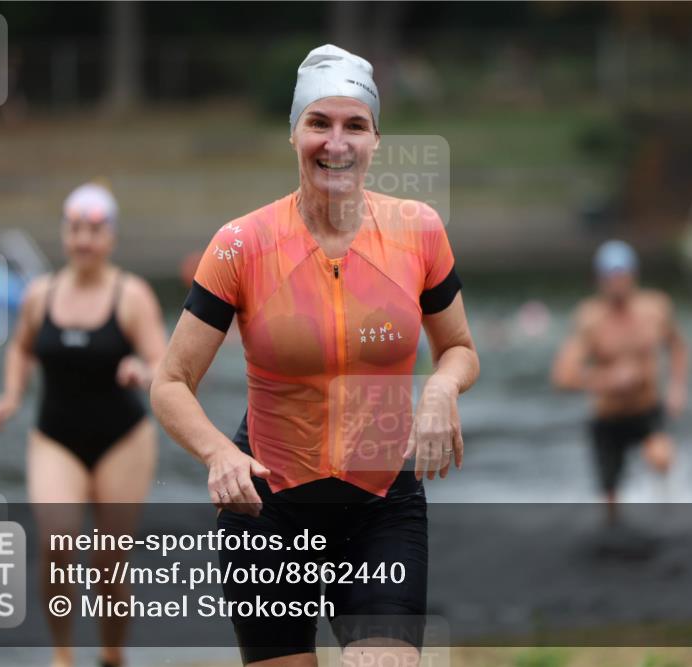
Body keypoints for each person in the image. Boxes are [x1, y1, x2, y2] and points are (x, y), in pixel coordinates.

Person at [151, 44, 479, 666]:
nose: (337, 142)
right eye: (319, 123)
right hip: (267, 509)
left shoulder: (419, 231)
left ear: (376, 139)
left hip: (384, 503)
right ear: (294, 133)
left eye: (355, 124)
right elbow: (170, 382)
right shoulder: (240, 245)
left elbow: (459, 348)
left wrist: (440, 389)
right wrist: (219, 452)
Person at [0, 182, 168, 667]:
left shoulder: (130, 295)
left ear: (110, 237)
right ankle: (62, 655)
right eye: (75, 229)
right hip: (55, 438)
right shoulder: (40, 294)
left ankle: (112, 654)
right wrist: (11, 395)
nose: (84, 240)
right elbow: (21, 347)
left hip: (123, 440)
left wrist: (141, 371)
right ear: (64, 235)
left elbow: (164, 362)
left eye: (95, 230)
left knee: (110, 561)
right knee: (58, 542)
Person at [551, 240, 689, 525]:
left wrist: (677, 388)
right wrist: (607, 379)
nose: (616, 284)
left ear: (633, 276)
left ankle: (668, 513)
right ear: (599, 281)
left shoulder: (656, 309)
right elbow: (562, 376)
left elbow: (677, 347)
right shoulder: (590, 320)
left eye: (621, 276)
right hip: (608, 417)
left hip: (646, 409)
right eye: (609, 278)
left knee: (661, 457)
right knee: (610, 502)